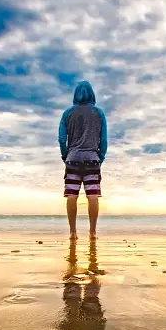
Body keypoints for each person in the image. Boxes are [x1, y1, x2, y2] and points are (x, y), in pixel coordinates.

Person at [58, 81, 108, 240]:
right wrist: (101, 156)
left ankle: (73, 232)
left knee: (72, 196)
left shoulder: (67, 113)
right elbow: (104, 139)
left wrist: (65, 155)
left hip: (72, 159)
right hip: (92, 159)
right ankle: (92, 232)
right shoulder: (99, 113)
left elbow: (61, 139)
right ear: (92, 94)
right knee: (92, 196)